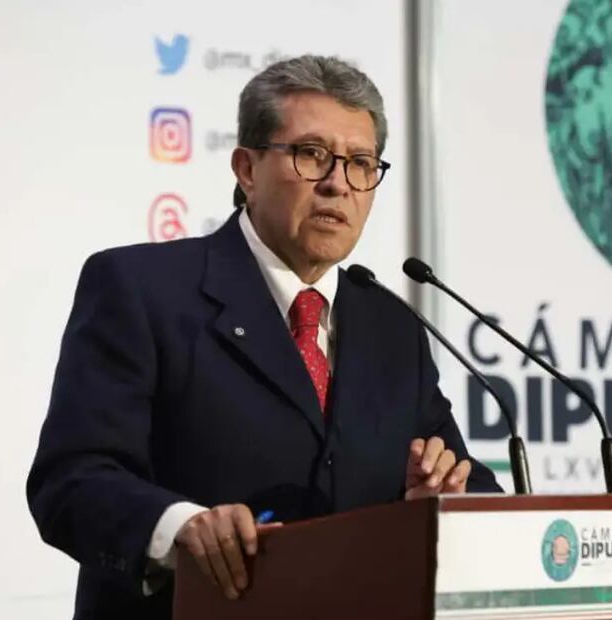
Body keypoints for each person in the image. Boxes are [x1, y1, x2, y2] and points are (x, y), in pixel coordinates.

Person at [26, 54, 501, 620]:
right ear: (246, 169)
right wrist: (180, 527)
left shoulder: (392, 326)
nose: (337, 185)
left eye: (360, 163)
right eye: (311, 155)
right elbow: (71, 481)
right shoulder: (142, 289)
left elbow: (469, 484)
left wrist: (440, 502)